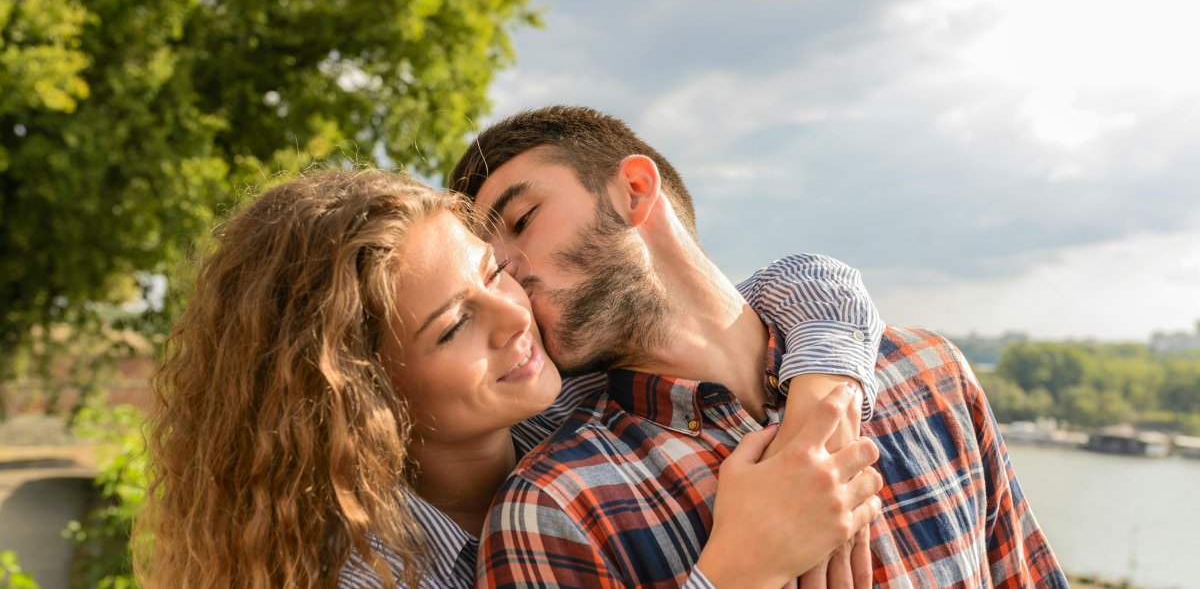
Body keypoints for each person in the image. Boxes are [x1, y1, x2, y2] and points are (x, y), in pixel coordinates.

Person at [136, 168, 886, 589]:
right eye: (455, 325)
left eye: (497, 271)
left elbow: (803, 285)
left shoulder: (574, 399)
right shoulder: (361, 578)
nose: (515, 314)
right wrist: (734, 572)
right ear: (362, 395)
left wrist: (820, 419)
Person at [449, 105, 1069, 588]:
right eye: (491, 264)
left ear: (635, 190)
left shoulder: (931, 374)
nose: (511, 269)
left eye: (523, 219)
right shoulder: (554, 510)